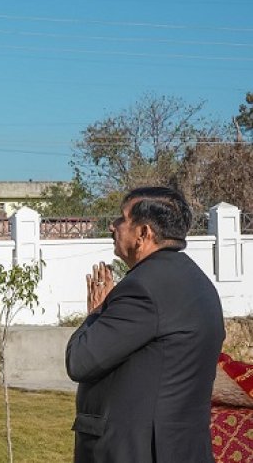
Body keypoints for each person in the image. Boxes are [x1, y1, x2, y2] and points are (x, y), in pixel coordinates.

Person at [66, 186, 224, 462]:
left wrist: (96, 312)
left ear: (144, 234)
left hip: (137, 451)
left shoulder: (142, 288)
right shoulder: (195, 281)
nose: (112, 226)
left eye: (122, 218)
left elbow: (80, 361)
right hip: (179, 448)